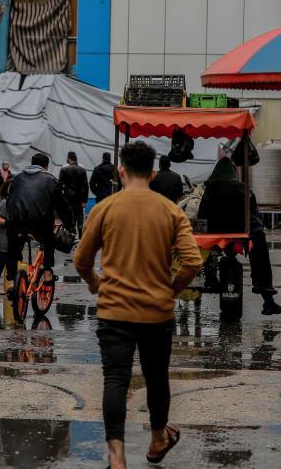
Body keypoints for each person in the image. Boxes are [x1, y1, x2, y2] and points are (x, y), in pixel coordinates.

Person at [75, 141, 201, 468]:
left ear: (121, 171)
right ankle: (158, 438)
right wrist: (170, 290)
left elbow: (82, 260)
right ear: (154, 173)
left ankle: (117, 457)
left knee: (115, 379)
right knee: (156, 377)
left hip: (113, 310)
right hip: (156, 312)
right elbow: (192, 262)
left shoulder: (104, 208)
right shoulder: (171, 210)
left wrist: (96, 284)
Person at [197, 156, 281, 315]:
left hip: (215, 234)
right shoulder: (244, 188)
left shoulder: (210, 190)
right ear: (233, 173)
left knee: (201, 244)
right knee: (260, 250)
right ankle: (267, 296)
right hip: (242, 233)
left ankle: (210, 277)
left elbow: (202, 217)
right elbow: (255, 217)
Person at [5, 153, 74, 293]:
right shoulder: (51, 180)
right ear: (46, 166)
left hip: (15, 223)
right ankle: (48, 272)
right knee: (49, 239)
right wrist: (69, 225)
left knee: (13, 248)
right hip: (39, 224)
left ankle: (12, 282)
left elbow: (9, 200)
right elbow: (62, 206)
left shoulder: (17, 178)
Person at [59, 151, 89, 237]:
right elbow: (86, 186)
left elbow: (60, 185)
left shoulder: (64, 168)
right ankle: (80, 228)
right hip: (79, 196)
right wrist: (84, 200)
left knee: (68, 214)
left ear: (69, 158)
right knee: (79, 213)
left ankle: (71, 232)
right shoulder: (82, 169)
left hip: (67, 196)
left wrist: (60, 198)